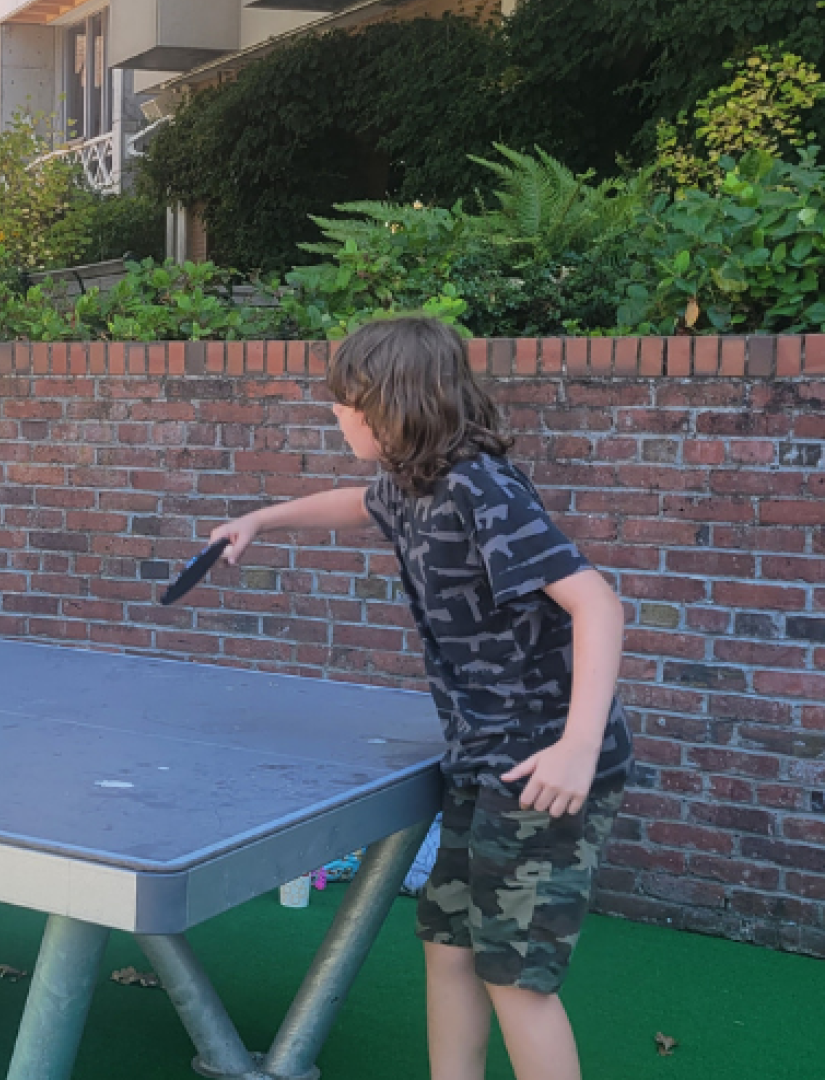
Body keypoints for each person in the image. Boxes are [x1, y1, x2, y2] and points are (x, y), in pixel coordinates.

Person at [210, 316, 631, 1080]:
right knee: (449, 947)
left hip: (543, 761)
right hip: (482, 753)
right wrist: (260, 520)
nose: (335, 413)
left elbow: (598, 604)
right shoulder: (411, 482)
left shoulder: (479, 487)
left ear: (391, 406)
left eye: (346, 401)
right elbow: (354, 502)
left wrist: (576, 747)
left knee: (515, 976)